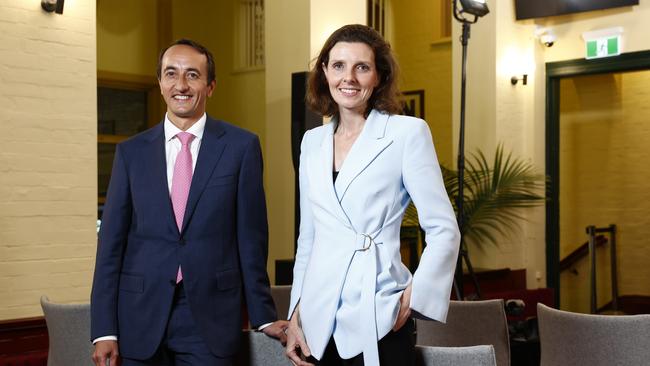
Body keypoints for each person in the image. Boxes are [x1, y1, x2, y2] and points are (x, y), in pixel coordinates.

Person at [91, 38, 287, 366]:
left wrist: (263, 316)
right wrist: (104, 330)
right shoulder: (131, 153)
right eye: (171, 74)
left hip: (210, 318)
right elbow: (110, 246)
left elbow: (251, 240)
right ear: (160, 82)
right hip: (139, 315)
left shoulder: (241, 148)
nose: (181, 85)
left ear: (210, 86)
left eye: (193, 75)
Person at [285, 25, 460, 366]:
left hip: (379, 310)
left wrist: (412, 299)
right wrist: (296, 314)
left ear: (379, 76)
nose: (348, 78)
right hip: (318, 322)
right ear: (324, 71)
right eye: (338, 66)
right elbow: (309, 239)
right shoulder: (312, 142)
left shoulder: (406, 133)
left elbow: (444, 228)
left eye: (361, 67)